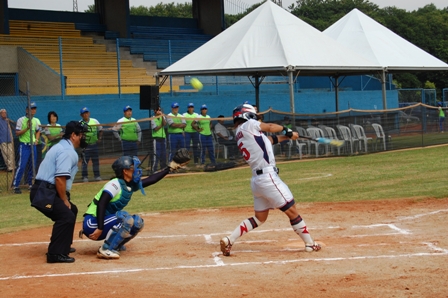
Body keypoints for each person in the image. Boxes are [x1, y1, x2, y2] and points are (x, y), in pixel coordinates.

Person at [220, 103, 321, 256]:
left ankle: (229, 239)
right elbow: (271, 126)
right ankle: (309, 244)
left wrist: (287, 137)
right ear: (247, 114)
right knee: (292, 210)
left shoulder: (242, 132)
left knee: (260, 218)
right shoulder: (250, 124)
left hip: (257, 181)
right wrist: (286, 129)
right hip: (268, 178)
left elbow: (269, 140)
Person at [81, 153, 188, 259]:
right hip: (92, 224)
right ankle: (105, 249)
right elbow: (101, 203)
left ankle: (115, 245)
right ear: (125, 171)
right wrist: (99, 228)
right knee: (125, 218)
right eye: (132, 168)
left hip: (104, 221)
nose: (136, 170)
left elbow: (151, 180)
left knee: (137, 222)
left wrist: (169, 169)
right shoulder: (115, 184)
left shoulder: (130, 184)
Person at [30, 121, 88, 263]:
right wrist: (64, 199)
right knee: (65, 216)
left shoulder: (62, 146)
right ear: (73, 136)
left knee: (71, 210)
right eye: (81, 135)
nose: (83, 137)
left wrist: (64, 198)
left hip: (46, 191)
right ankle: (55, 254)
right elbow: (60, 179)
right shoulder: (67, 151)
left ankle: (64, 246)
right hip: (43, 193)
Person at [12, 102, 41, 194]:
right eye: (31, 108)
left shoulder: (36, 120)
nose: (33, 110)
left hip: (33, 145)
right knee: (22, 165)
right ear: (27, 110)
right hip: (24, 145)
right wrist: (27, 128)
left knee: (32, 165)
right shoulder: (21, 120)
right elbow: (17, 133)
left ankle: (30, 184)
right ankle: (16, 185)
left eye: (34, 109)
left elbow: (38, 131)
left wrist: (36, 139)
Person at [79, 107, 103, 182]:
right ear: (81, 115)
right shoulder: (80, 123)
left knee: (95, 161)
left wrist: (99, 138)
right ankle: (85, 177)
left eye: (87, 113)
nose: (86, 114)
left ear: (89, 113)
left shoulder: (94, 121)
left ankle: (97, 176)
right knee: (85, 162)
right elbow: (78, 134)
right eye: (84, 113)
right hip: (85, 146)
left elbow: (101, 129)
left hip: (94, 144)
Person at [151, 106, 167, 172]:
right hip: (156, 138)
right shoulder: (152, 118)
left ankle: (163, 168)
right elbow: (156, 128)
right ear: (155, 111)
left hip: (163, 138)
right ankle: (154, 169)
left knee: (163, 154)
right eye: (158, 110)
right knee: (156, 154)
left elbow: (165, 124)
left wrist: (162, 116)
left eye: (160, 110)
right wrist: (161, 125)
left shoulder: (162, 116)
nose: (159, 111)